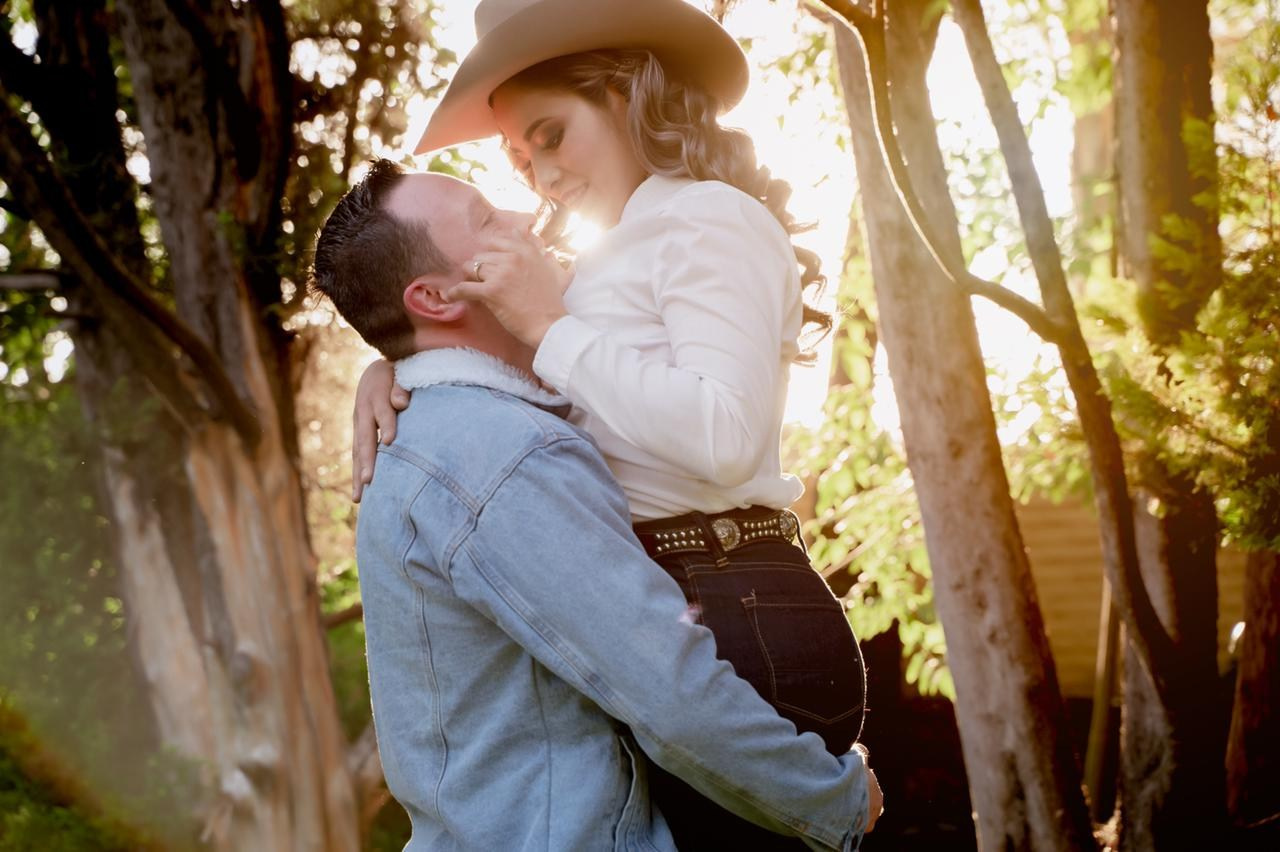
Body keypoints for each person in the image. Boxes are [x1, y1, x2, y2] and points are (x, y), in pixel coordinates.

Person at [354, 1, 873, 846]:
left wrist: (552, 328)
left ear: (627, 92)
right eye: (518, 160)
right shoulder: (606, 255)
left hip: (736, 598)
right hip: (679, 596)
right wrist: (394, 369)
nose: (539, 177)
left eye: (551, 135)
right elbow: (509, 360)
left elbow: (724, 432)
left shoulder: (710, 217)